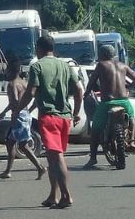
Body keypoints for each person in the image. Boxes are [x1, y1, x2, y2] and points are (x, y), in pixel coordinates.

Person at [13, 36, 83, 209]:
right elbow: (79, 90)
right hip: (65, 117)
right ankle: (53, 195)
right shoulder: (65, 66)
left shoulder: (37, 66)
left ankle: (66, 196)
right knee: (53, 158)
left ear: (39, 48)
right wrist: (76, 113)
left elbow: (31, 92)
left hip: (49, 116)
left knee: (56, 155)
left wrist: (18, 110)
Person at [84, 45, 135, 168]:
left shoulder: (101, 65)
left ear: (103, 54)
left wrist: (86, 93)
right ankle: (131, 140)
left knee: (95, 130)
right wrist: (128, 87)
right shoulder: (122, 66)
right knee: (132, 118)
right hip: (123, 101)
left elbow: (92, 82)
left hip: (107, 103)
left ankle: (93, 158)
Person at [0, 59, 46, 180]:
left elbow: (14, 102)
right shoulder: (24, 82)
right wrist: (30, 109)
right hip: (25, 113)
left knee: (23, 145)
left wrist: (6, 113)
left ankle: (40, 167)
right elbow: (34, 96)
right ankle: (8, 171)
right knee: (10, 142)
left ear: (11, 71)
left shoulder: (12, 84)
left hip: (18, 115)